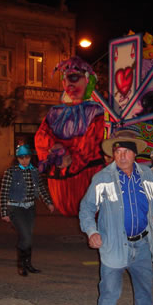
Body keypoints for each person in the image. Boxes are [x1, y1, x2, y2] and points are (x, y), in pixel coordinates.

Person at [79, 130, 153, 305]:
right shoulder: (102, 178)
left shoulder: (146, 175)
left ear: (135, 154)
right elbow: (87, 208)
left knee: (145, 285)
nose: (122, 156)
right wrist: (92, 231)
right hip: (114, 245)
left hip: (142, 244)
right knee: (109, 293)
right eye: (118, 151)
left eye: (126, 151)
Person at [35, 56, 105, 216]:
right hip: (61, 184)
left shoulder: (95, 111)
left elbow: (92, 142)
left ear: (87, 80)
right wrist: (54, 148)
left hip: (84, 179)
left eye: (73, 77)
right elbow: (41, 136)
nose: (68, 84)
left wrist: (70, 158)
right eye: (64, 80)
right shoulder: (55, 112)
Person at [0, 145, 54, 276]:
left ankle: (28, 264)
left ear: (31, 157)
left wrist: (48, 202)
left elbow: (41, 188)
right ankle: (21, 264)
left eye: (27, 157)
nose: (24, 160)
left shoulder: (34, 171)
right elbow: (4, 192)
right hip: (16, 207)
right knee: (26, 236)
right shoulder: (11, 172)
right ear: (17, 158)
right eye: (21, 158)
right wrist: (4, 212)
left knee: (28, 236)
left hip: (30, 208)